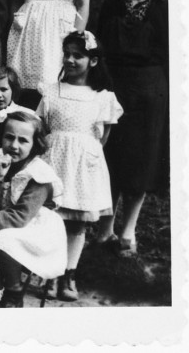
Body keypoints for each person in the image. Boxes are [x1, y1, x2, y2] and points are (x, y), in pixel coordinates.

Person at [95, 0, 169, 259]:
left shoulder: (166, 9)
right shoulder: (111, 4)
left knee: (139, 163)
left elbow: (173, 57)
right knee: (108, 159)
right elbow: (97, 50)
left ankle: (128, 231)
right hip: (112, 88)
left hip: (149, 95)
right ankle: (104, 230)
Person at [36, 31, 122, 302]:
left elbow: (101, 138)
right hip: (54, 160)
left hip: (84, 165)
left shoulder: (102, 97)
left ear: (93, 61)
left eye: (78, 55)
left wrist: (84, 157)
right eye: (67, 54)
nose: (70, 60)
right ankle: (50, 273)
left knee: (77, 225)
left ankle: (68, 274)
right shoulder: (52, 90)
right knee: (54, 219)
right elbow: (41, 127)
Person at [0, 110, 68, 308]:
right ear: (1, 137)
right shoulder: (1, 163)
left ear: (35, 144)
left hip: (32, 228)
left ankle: (13, 292)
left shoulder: (38, 175)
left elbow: (20, 216)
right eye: (9, 137)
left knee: (4, 237)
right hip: (3, 220)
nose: (14, 146)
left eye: (23, 140)